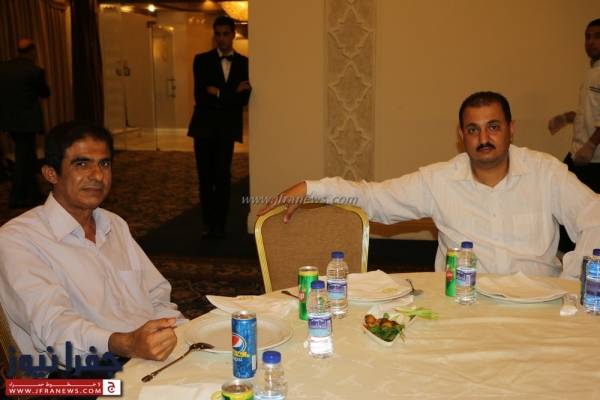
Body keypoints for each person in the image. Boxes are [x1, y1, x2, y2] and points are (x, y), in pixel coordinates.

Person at [260, 91, 600, 280]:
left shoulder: (545, 173)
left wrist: (572, 279)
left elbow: (595, 215)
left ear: (511, 129)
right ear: (461, 135)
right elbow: (374, 198)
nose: (484, 138)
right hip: (464, 306)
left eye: (493, 127)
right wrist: (311, 188)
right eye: (473, 129)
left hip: (537, 306)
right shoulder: (439, 181)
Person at [0, 121, 186, 370]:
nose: (98, 176)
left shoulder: (113, 224)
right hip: (74, 376)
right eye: (82, 164)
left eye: (104, 164)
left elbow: (157, 295)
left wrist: (180, 332)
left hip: (140, 356)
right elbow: (54, 327)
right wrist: (126, 344)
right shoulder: (18, 239)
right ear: (51, 174)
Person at [187, 15, 251, 239]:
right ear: (214, 36)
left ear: (233, 35)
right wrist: (231, 94)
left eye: (226, 34)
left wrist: (218, 93)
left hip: (226, 129)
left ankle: (221, 225)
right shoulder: (201, 60)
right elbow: (200, 96)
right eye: (218, 34)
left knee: (223, 178)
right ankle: (208, 224)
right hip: (203, 128)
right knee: (205, 178)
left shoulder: (244, 63)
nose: (222, 38)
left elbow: (243, 100)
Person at [548, 18, 600, 194]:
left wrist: (591, 145)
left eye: (597, 36)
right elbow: (592, 109)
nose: (591, 42)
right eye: (588, 37)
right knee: (560, 192)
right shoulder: (591, 72)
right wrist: (568, 117)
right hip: (579, 153)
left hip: (595, 158)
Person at [0, 38, 50, 208]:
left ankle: (34, 192)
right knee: (23, 157)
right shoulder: (34, 71)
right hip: (27, 122)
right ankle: (16, 196)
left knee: (28, 155)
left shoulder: (3, 68)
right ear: (33, 51)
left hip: (9, 120)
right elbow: (45, 93)